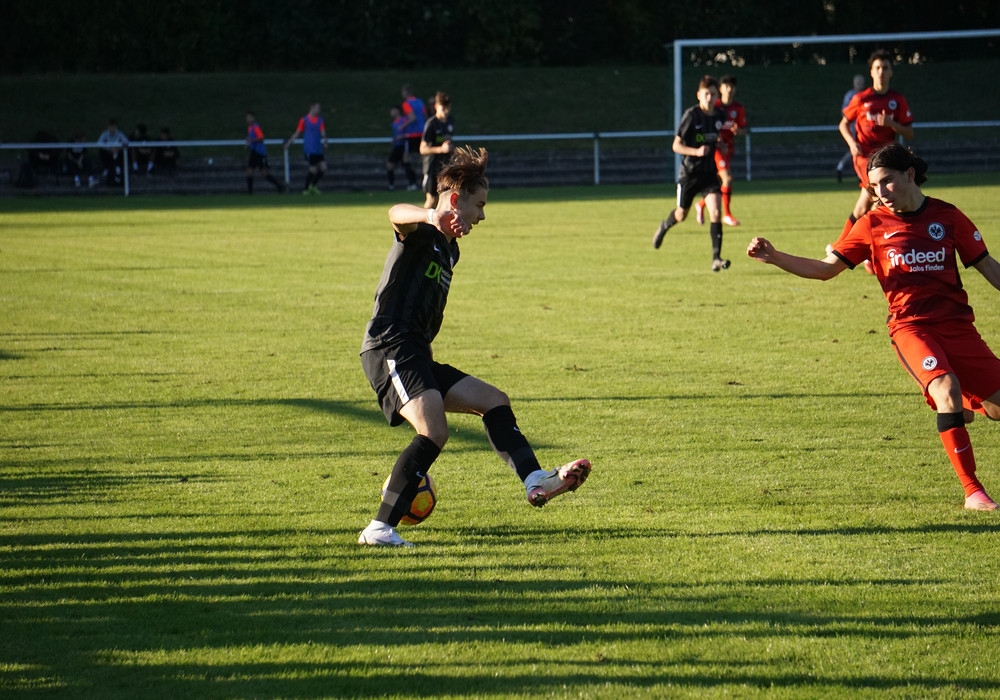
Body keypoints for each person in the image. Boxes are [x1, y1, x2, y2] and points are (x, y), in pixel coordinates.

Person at [358, 145, 592, 547]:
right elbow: (396, 213)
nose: (482, 215)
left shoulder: (451, 250)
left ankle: (535, 480)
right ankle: (379, 528)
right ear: (455, 200)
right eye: (479, 204)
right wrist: (429, 213)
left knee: (494, 400)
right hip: (390, 345)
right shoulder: (422, 231)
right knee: (434, 431)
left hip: (418, 352)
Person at [747, 144, 1000, 512]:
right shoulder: (872, 224)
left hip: (959, 329)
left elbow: (990, 269)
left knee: (993, 408)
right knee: (945, 388)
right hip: (911, 329)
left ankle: (968, 402)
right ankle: (973, 491)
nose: (879, 194)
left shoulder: (948, 217)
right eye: (873, 187)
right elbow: (825, 269)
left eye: (887, 182)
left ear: (909, 175)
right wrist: (775, 256)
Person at [652, 75, 730, 272]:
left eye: (713, 94)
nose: (710, 98)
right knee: (681, 214)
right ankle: (664, 226)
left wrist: (721, 144)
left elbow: (718, 137)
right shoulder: (692, 116)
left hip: (709, 174)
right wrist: (696, 151)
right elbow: (676, 145)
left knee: (716, 212)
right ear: (698, 95)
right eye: (706, 94)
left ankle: (716, 258)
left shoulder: (719, 115)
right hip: (690, 174)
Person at [838, 50, 914, 239]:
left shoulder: (897, 100)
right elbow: (843, 124)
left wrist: (892, 124)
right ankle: (872, 252)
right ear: (871, 72)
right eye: (877, 68)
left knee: (863, 207)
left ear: (891, 72)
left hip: (885, 160)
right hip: (864, 157)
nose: (881, 71)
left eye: (885, 68)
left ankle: (840, 247)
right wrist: (851, 143)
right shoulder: (861, 99)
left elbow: (909, 133)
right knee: (881, 199)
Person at [695, 74, 747, 227]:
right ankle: (727, 215)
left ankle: (701, 204)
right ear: (720, 89)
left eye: (731, 87)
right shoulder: (715, 107)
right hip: (716, 148)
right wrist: (718, 142)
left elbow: (743, 129)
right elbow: (708, 128)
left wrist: (739, 131)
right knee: (728, 178)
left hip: (728, 148)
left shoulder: (738, 109)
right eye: (726, 86)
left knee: (719, 183)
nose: (729, 90)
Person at [420, 91, 455, 208]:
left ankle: (438, 226)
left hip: (445, 167)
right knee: (431, 200)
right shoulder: (431, 124)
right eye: (443, 108)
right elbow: (423, 149)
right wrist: (441, 149)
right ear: (436, 106)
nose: (445, 111)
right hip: (431, 167)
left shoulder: (450, 122)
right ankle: (422, 225)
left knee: (445, 199)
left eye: (447, 108)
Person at [284, 102, 327, 195]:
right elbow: (297, 133)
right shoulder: (304, 120)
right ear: (312, 108)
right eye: (317, 108)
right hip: (309, 149)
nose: (319, 110)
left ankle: (313, 186)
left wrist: (325, 140)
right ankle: (306, 189)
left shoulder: (320, 120)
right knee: (313, 170)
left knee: (323, 168)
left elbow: (323, 132)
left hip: (318, 149)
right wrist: (289, 143)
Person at [245, 111, 286, 194]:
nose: (248, 119)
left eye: (250, 117)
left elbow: (261, 137)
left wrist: (251, 140)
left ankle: (280, 186)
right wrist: (248, 145)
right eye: (247, 118)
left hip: (259, 153)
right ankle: (250, 192)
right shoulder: (250, 128)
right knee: (250, 171)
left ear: (253, 118)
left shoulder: (256, 127)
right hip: (254, 152)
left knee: (263, 173)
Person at [835, 74, 866, 183]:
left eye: (861, 82)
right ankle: (842, 167)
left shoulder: (866, 94)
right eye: (857, 82)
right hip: (853, 127)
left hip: (864, 127)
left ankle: (858, 173)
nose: (859, 84)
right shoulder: (850, 95)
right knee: (855, 148)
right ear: (854, 83)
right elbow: (845, 112)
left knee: (859, 149)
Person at [386, 105, 418, 191]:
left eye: (393, 110)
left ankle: (413, 184)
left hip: (404, 144)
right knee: (390, 165)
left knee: (406, 163)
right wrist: (394, 139)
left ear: (397, 111)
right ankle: (391, 185)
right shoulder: (394, 123)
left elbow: (410, 131)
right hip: (397, 146)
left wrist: (403, 136)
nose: (391, 113)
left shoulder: (405, 120)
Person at [400, 84, 426, 189]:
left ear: (406, 93)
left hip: (412, 134)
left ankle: (412, 183)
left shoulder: (406, 104)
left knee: (406, 158)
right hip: (422, 132)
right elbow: (425, 116)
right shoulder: (420, 102)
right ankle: (424, 182)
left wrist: (402, 126)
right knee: (423, 158)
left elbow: (412, 117)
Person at [97, 118, 128, 186]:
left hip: (118, 154)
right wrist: (109, 148)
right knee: (102, 152)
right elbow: (99, 143)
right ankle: (107, 170)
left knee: (120, 159)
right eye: (110, 127)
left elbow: (126, 142)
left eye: (113, 126)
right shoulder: (105, 134)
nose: (112, 128)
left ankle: (119, 179)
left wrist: (117, 148)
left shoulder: (119, 133)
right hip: (108, 154)